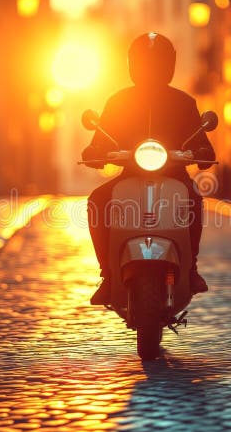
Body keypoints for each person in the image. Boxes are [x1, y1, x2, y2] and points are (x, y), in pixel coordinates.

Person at [82, 33, 216, 305]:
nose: (151, 68)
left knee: (193, 199)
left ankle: (191, 269)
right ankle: (108, 274)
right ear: (133, 63)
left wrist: (203, 152)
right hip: (129, 174)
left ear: (169, 64)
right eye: (146, 62)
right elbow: (99, 140)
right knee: (98, 200)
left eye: (157, 62)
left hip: (174, 175)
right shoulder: (118, 102)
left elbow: (203, 144)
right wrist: (94, 152)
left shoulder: (184, 103)